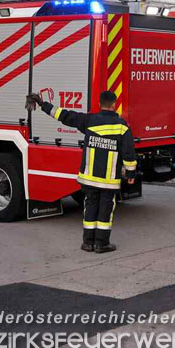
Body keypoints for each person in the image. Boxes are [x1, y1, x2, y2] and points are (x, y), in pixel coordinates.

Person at [25, 90, 136, 253]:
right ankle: (101, 244)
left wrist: (43, 104)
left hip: (89, 178)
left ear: (99, 104)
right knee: (105, 210)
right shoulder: (122, 127)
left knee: (90, 207)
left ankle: (87, 242)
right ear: (114, 105)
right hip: (108, 180)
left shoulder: (89, 120)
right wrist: (131, 174)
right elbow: (129, 154)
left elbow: (65, 116)